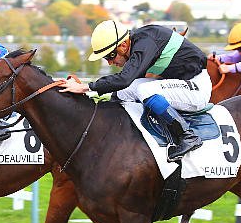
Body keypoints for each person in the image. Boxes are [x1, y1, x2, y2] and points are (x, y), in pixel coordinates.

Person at [57, 20, 211, 162]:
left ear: (123, 45)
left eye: (110, 56)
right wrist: (90, 93)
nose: (110, 62)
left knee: (144, 89)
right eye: (106, 59)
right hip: (179, 84)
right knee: (126, 90)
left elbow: (124, 79)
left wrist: (86, 87)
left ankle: (187, 136)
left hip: (196, 88)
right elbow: (125, 84)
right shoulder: (139, 42)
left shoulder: (145, 43)